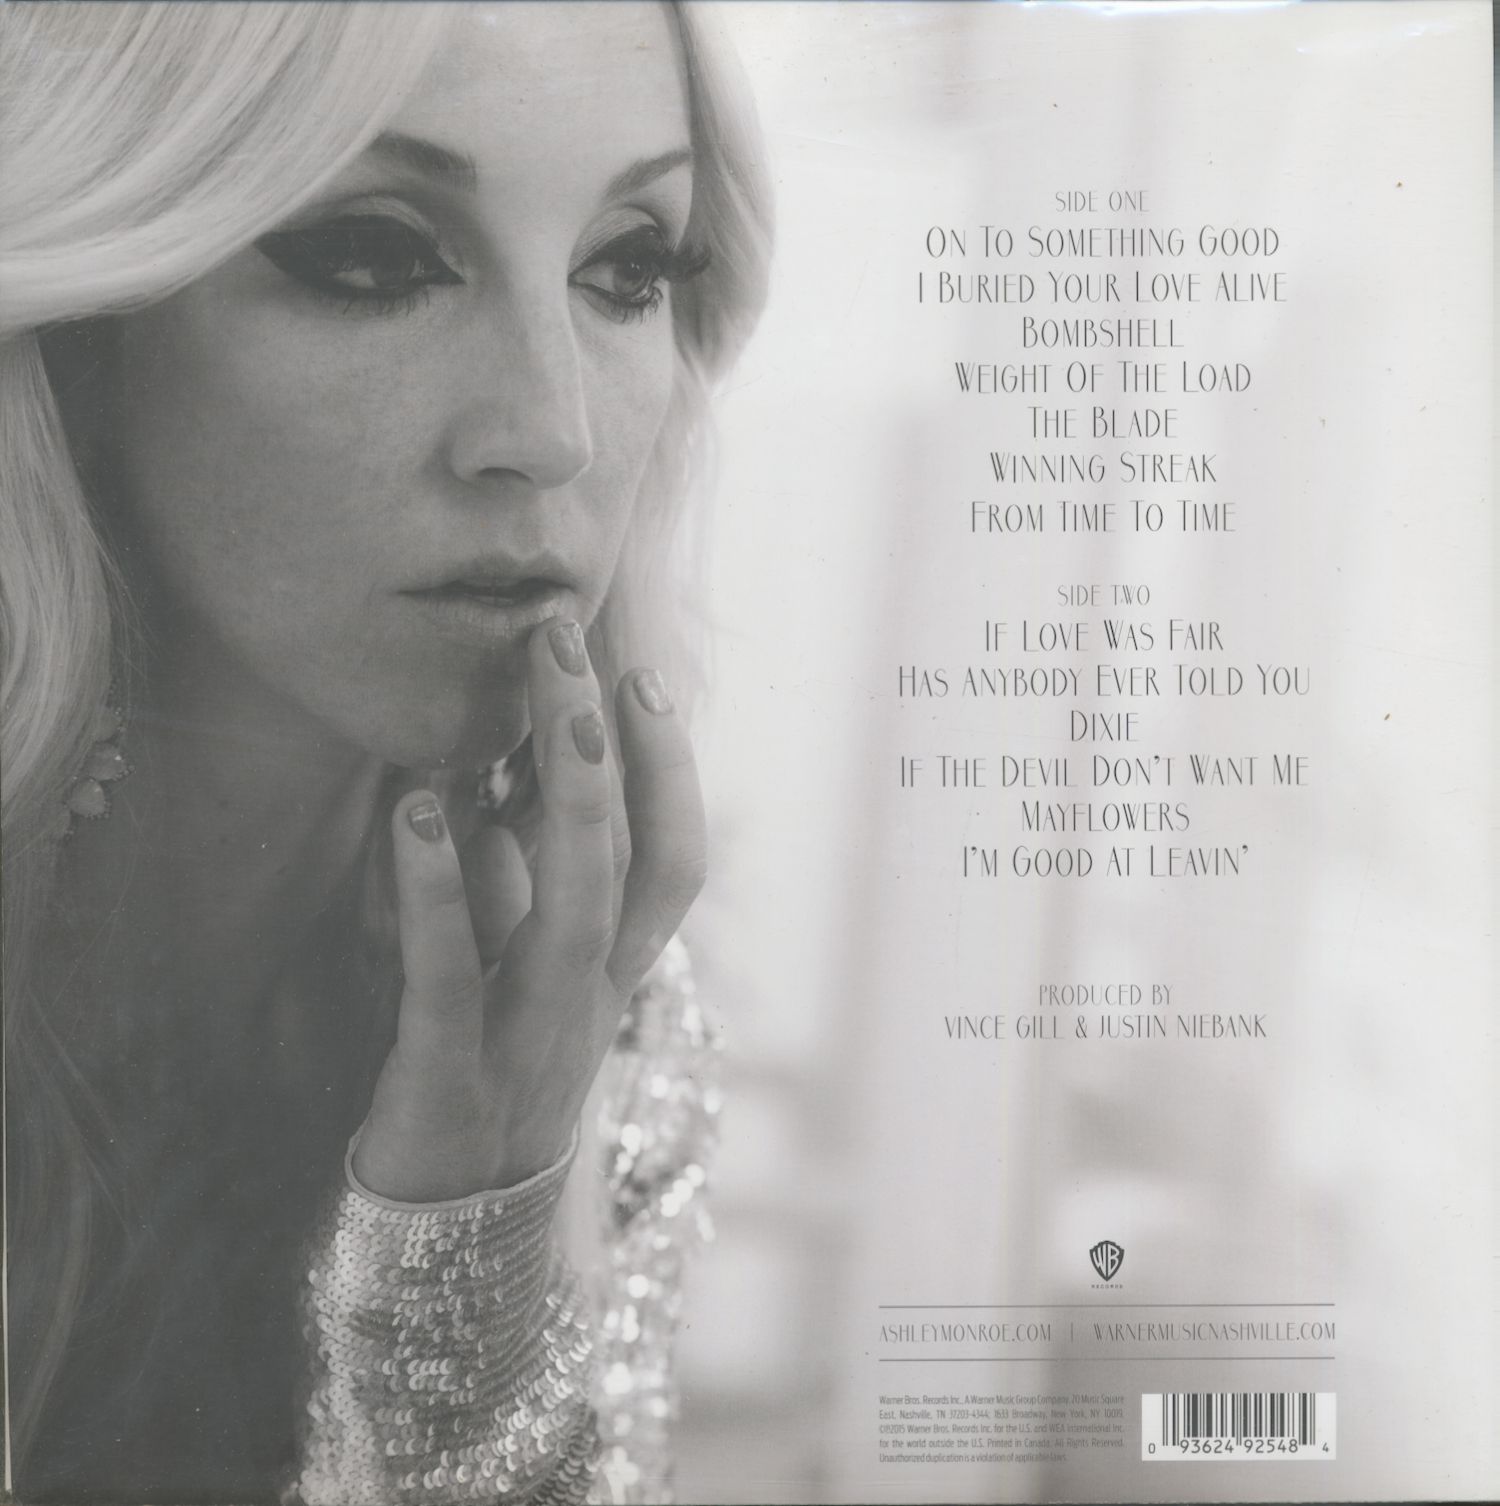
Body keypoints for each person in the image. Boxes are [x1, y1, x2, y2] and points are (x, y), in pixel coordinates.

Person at [0, 3, 771, 1500]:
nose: (551, 428)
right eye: (374, 255)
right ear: (87, 320)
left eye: (627, 266)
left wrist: (463, 1285)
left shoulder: (588, 1018)